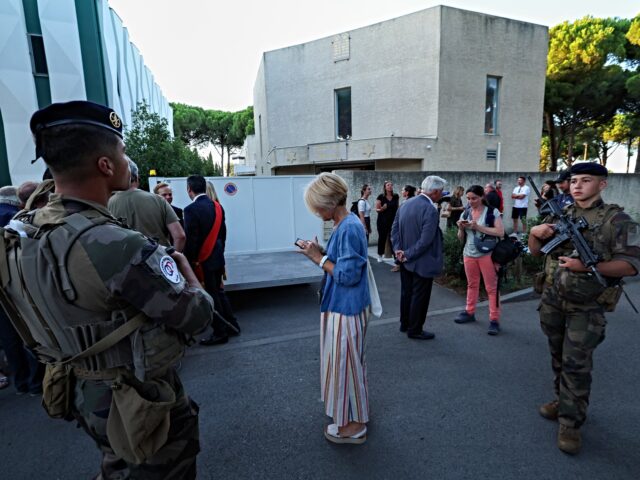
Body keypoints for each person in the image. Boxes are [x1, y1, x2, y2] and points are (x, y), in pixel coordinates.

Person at [0, 100, 214, 478]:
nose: (125, 157)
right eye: (121, 149)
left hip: (79, 389)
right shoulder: (114, 244)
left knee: (118, 463)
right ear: (105, 164)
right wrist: (187, 273)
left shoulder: (26, 232)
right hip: (135, 397)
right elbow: (197, 316)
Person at [528, 162, 640, 455]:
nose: (577, 185)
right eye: (574, 180)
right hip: (553, 299)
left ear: (602, 184)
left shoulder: (618, 220)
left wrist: (588, 266)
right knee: (557, 356)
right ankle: (560, 400)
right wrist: (535, 233)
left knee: (576, 365)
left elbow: (630, 266)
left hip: (587, 307)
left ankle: (571, 422)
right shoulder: (562, 214)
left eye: (585, 180)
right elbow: (536, 251)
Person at [297, 172, 370, 444]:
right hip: (344, 307)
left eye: (317, 206)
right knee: (348, 366)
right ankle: (353, 418)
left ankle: (354, 426)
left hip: (346, 309)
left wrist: (318, 258)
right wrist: (321, 251)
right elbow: (343, 262)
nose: (316, 212)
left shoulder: (348, 226)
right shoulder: (346, 223)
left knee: (346, 366)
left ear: (329, 202)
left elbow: (347, 275)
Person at [184, 175, 240, 346]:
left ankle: (220, 332)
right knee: (219, 292)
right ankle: (232, 325)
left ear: (189, 190)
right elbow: (223, 235)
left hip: (202, 261)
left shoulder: (190, 210)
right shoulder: (218, 207)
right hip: (217, 258)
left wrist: (189, 261)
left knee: (210, 295)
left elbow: (191, 241)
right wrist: (218, 254)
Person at [0, 185, 44, 395]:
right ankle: (37, 381)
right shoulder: (14, 218)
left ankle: (22, 382)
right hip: (14, 282)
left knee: (9, 336)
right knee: (28, 328)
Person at [391, 175, 446, 340]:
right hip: (421, 261)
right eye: (441, 191)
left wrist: (398, 251)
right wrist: (406, 254)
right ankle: (415, 329)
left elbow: (394, 230)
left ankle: (405, 323)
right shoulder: (430, 209)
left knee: (406, 293)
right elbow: (426, 240)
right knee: (420, 296)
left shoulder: (405, 204)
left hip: (405, 259)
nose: (442, 194)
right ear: (435, 192)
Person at [454, 185, 505, 335]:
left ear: (482, 196)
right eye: (468, 198)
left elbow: (500, 232)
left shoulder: (492, 212)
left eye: (474, 198)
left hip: (487, 254)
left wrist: (477, 227)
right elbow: (460, 238)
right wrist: (461, 228)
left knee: (492, 288)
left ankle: (494, 320)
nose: (471, 201)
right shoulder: (466, 212)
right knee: (472, 284)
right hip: (468, 253)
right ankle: (469, 312)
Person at [109, 159, 186, 251]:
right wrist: (171, 260)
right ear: (137, 178)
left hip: (126, 260)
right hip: (158, 259)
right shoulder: (159, 200)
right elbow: (180, 236)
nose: (168, 196)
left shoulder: (107, 204)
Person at [375, 181, 399, 262]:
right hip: (382, 221)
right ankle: (380, 255)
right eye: (388, 185)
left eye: (391, 185)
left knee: (394, 238)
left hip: (393, 221)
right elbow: (377, 210)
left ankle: (396, 256)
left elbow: (397, 207)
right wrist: (382, 209)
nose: (390, 186)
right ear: (385, 187)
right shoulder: (381, 197)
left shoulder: (396, 196)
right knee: (382, 238)